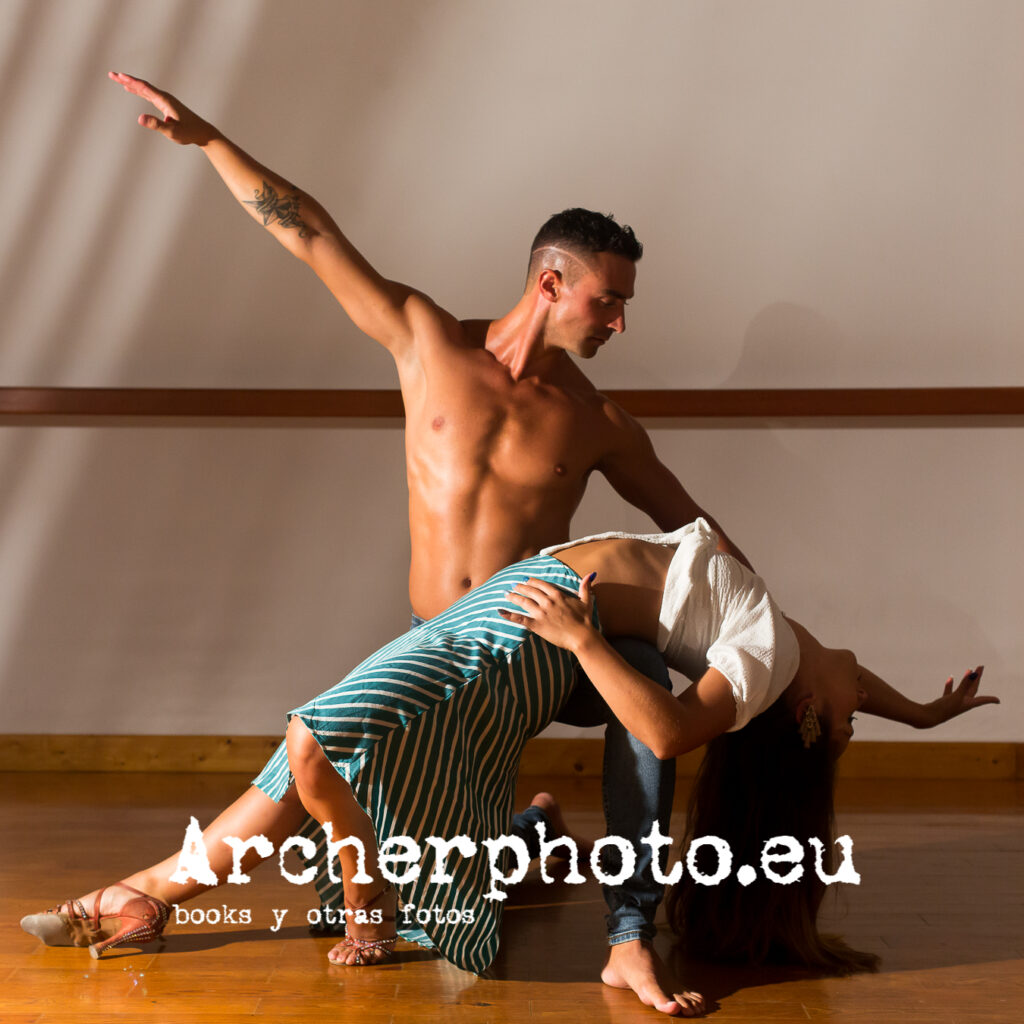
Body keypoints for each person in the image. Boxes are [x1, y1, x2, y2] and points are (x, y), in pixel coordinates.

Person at [89, 70, 750, 1013]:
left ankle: (629, 935)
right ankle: (523, 837)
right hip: (441, 638)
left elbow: (695, 537)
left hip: (548, 643)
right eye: (607, 300)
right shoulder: (426, 344)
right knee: (351, 789)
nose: (619, 321)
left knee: (641, 686)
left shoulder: (600, 420)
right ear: (551, 281)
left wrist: (782, 639)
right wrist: (207, 140)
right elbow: (309, 231)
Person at [22, 519, 995, 1019]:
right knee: (328, 742)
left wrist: (581, 637)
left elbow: (659, 731)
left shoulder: (764, 669)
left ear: (806, 718)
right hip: (511, 601)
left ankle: (364, 893)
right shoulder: (801, 659)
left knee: (319, 736)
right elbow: (860, 682)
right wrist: (927, 710)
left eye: (850, 722)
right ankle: (152, 893)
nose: (859, 700)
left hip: (524, 632)